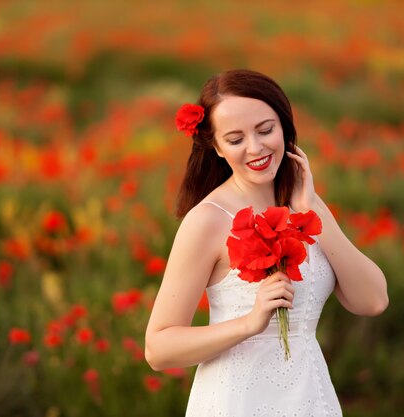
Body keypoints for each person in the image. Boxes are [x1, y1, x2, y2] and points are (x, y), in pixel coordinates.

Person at [144, 69, 388, 417]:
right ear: (215, 146)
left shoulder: (304, 205)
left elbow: (374, 300)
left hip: (309, 398)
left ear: (285, 126)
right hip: (237, 401)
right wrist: (249, 323)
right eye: (235, 139)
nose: (255, 148)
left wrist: (313, 209)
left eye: (265, 130)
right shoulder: (207, 220)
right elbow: (158, 348)